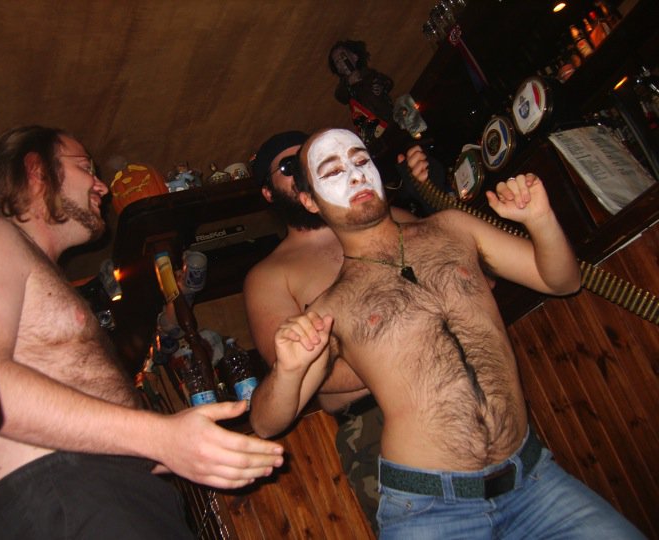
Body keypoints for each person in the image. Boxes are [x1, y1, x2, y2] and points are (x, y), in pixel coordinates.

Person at [250, 128, 644, 539]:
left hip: (533, 483)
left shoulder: (453, 228)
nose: (355, 175)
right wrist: (288, 370)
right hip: (430, 511)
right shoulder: (332, 306)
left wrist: (540, 221)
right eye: (333, 171)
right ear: (310, 201)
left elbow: (562, 281)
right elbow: (265, 422)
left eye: (361, 160)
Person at [0, 125, 284, 540]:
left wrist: (174, 449)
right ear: (37, 170)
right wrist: (160, 438)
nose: (101, 186)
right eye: (85, 167)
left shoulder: (39, 273)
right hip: (54, 496)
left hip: (102, 494)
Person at [244, 130, 427, 531]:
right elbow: (296, 374)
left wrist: (430, 193)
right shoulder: (269, 276)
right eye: (289, 167)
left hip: (452, 391)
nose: (302, 171)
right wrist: (405, 351)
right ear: (269, 193)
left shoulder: (392, 221)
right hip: (373, 425)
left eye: (308, 161)